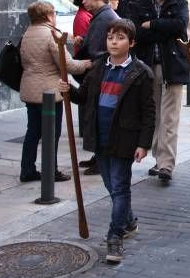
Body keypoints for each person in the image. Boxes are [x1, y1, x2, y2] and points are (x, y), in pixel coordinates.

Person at [61, 19, 156, 263]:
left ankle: (115, 236)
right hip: (99, 136)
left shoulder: (141, 73)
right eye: (111, 37)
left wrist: (143, 143)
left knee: (120, 186)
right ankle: (129, 220)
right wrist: (68, 89)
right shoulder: (98, 68)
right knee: (110, 184)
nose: (114, 42)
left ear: (131, 43)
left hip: (124, 138)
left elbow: (148, 111)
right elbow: (82, 97)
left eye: (120, 38)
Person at [18, 1, 91, 182]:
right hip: (49, 91)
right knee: (52, 133)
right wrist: (88, 63)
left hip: (30, 88)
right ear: (49, 16)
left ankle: (27, 169)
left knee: (33, 131)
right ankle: (51, 170)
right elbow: (68, 65)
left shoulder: (28, 33)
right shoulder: (51, 34)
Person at [131, 0, 190, 182]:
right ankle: (158, 159)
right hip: (148, 66)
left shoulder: (179, 2)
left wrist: (153, 24)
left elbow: (180, 26)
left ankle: (166, 164)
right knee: (153, 115)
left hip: (173, 65)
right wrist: (159, 30)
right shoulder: (140, 4)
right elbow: (136, 33)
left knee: (170, 118)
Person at [77, 0, 119, 174]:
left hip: (102, 73)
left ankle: (102, 159)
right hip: (97, 72)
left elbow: (101, 50)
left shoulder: (106, 18)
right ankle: (98, 156)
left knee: (100, 118)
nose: (83, 1)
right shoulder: (101, 16)